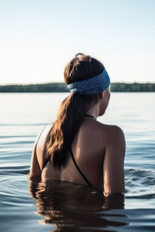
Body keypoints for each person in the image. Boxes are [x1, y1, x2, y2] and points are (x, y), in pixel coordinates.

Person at [29, 53, 125, 195]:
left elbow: (34, 186)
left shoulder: (43, 134)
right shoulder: (112, 136)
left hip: (47, 216)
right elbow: (114, 198)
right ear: (103, 92)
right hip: (88, 216)